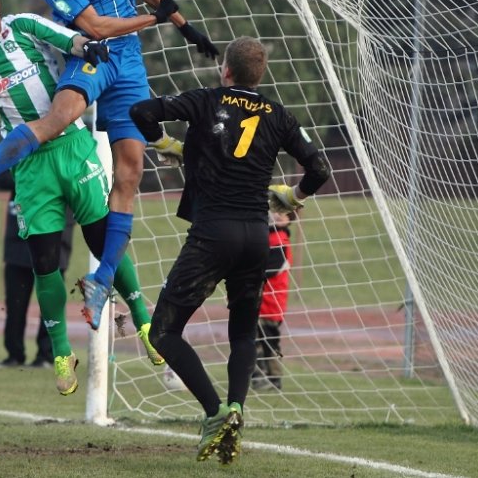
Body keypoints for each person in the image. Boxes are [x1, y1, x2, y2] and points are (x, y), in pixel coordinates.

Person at [0, 0, 218, 330]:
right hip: (94, 56)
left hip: (130, 66)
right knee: (58, 119)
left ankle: (102, 279)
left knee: (129, 172)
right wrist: (154, 18)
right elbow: (96, 29)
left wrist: (184, 26)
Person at [0, 0, 164, 395]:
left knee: (103, 238)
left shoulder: (22, 25)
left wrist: (86, 47)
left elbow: (67, 39)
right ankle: (62, 353)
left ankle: (146, 324)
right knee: (43, 261)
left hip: (71, 145)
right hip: (28, 167)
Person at [129, 36, 330, 464]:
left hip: (212, 235)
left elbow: (141, 111)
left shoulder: (205, 100)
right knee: (242, 332)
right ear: (259, 76)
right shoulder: (278, 115)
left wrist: (164, 144)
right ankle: (237, 409)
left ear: (226, 71)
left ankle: (214, 412)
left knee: (163, 330)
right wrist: (294, 197)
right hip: (256, 237)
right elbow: (319, 169)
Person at [0, 171, 73, 369]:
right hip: (19, 242)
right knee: (15, 303)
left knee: (51, 305)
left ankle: (46, 355)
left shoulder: (67, 155)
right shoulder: (21, 149)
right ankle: (14, 354)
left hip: (54, 239)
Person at [252, 210, 296, 391]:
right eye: (277, 212)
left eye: (284, 214)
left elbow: (272, 267)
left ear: (289, 220)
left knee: (269, 340)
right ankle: (257, 376)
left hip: (272, 301)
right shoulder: (265, 236)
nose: (278, 216)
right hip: (256, 299)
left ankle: (274, 378)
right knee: (252, 337)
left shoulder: (281, 240)